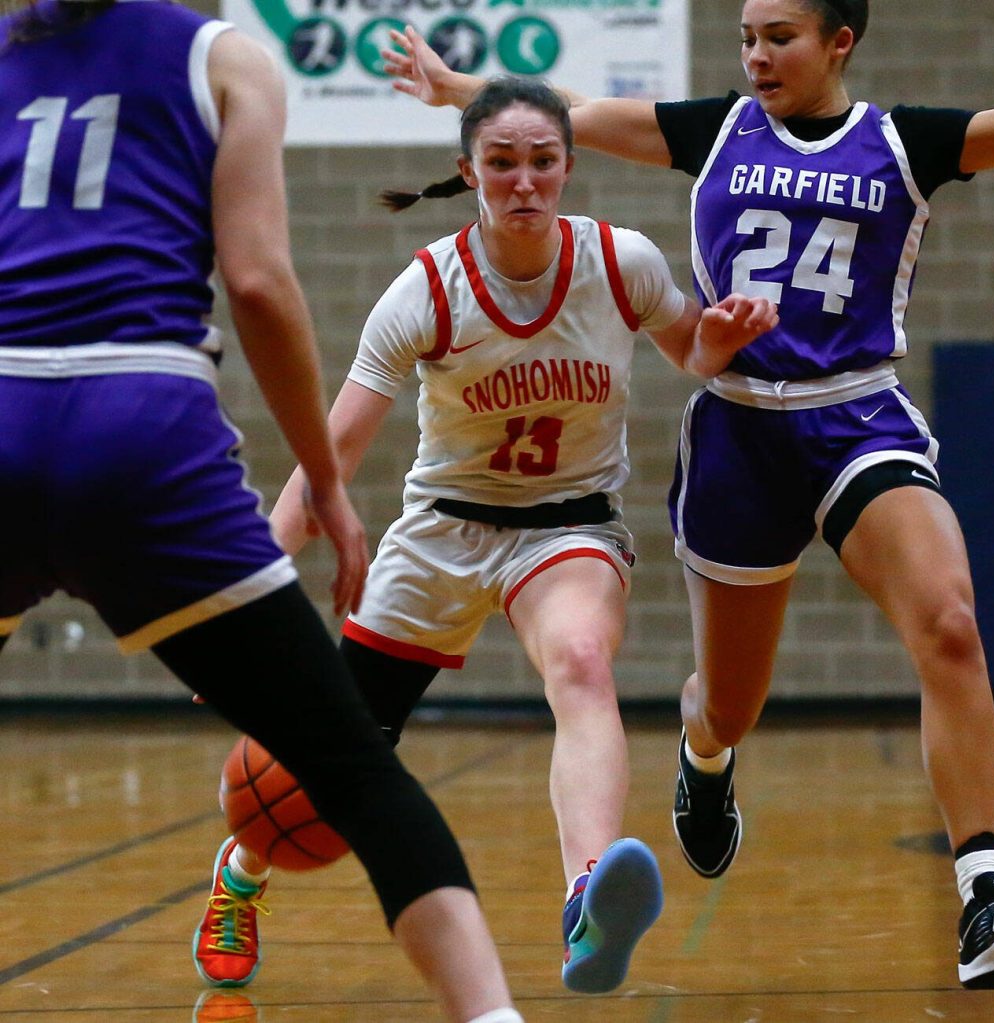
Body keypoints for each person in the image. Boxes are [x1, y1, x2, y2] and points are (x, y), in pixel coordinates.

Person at [380, 0, 994, 991]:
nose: (756, 55)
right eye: (747, 37)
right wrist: (457, 90)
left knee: (950, 624)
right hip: (739, 429)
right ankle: (703, 756)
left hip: (855, 417)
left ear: (838, 41)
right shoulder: (717, 129)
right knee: (728, 703)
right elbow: (570, 111)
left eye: (779, 37)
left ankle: (985, 887)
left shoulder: (900, 141)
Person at [0, 2, 524, 1021]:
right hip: (139, 431)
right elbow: (256, 280)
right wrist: (324, 481)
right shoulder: (224, 57)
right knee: (352, 768)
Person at [200, 74, 779, 995]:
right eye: (501, 163)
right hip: (442, 532)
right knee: (336, 749)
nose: (522, 182)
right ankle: (244, 867)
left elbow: (689, 354)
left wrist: (723, 334)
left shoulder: (620, 261)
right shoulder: (426, 290)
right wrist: (242, 603)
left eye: (541, 162)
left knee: (582, 663)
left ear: (567, 168)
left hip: (567, 528)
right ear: (468, 171)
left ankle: (587, 897)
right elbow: (329, 460)